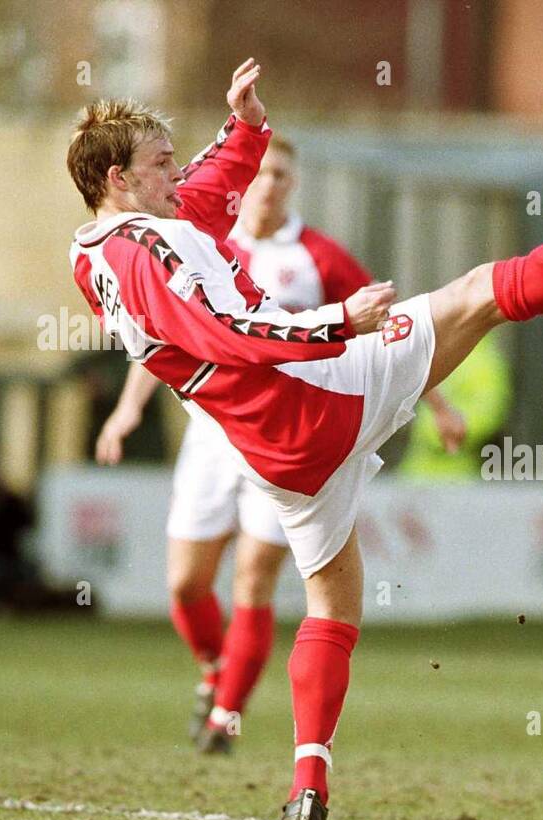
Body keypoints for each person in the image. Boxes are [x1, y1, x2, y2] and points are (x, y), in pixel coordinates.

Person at [65, 58, 543, 820]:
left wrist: (243, 128)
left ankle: (308, 782)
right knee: (481, 288)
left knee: (331, 602)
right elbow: (233, 331)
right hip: (321, 391)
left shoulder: (103, 252)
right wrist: (341, 320)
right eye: (160, 162)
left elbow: (199, 205)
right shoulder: (151, 251)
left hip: (277, 455)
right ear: (117, 178)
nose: (176, 173)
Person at [93, 124, 464, 755]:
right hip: (213, 432)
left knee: (253, 578)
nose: (267, 187)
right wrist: (126, 412)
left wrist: (436, 399)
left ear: (293, 186)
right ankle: (216, 673)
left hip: (287, 426)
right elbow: (160, 336)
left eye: (281, 177)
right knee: (185, 583)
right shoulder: (191, 235)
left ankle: (224, 720)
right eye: (260, 174)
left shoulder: (318, 255)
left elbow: (384, 325)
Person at [399, 330, 508, 479]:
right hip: (416, 469)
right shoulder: (437, 347)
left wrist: (436, 429)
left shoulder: (483, 361)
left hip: (456, 472)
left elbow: (488, 414)